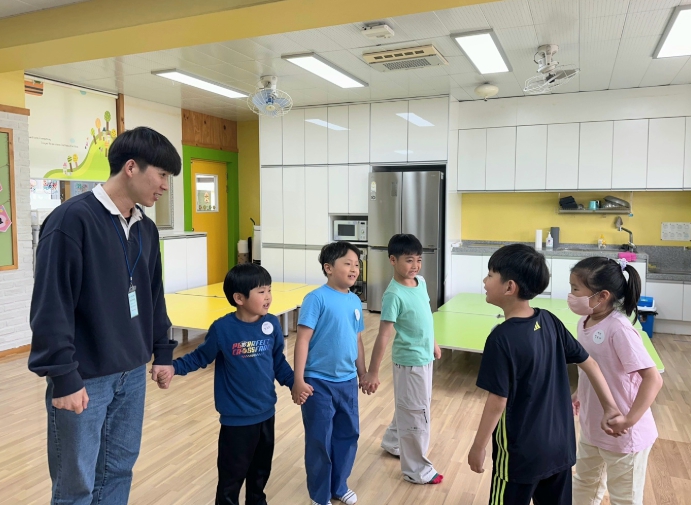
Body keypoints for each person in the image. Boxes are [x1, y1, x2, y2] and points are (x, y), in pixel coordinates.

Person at [28, 126, 181, 504]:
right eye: (162, 175)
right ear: (131, 167)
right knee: (76, 485)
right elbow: (51, 304)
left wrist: (162, 351)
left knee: (118, 470)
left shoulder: (146, 229)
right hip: (85, 376)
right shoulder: (70, 221)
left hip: (132, 373)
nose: (165, 186)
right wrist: (63, 376)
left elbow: (153, 294)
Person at [467, 244, 626, 505]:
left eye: (490, 275)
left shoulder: (500, 338)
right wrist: (610, 407)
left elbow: (497, 402)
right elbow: (590, 364)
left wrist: (478, 446)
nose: (485, 281)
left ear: (509, 287)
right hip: (560, 447)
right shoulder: (550, 321)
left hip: (520, 455)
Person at [154, 263, 312, 505]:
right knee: (231, 478)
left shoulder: (271, 325)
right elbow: (199, 357)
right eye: (261, 291)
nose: (268, 297)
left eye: (269, 290)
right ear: (239, 298)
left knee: (260, 473)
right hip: (236, 420)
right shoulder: (223, 329)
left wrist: (294, 383)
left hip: (266, 414)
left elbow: (277, 362)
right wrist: (174, 367)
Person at [569, 257, 663, 505]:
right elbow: (595, 367)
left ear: (602, 296)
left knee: (625, 498)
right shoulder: (584, 322)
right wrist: (580, 392)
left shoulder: (619, 329)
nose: (571, 295)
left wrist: (629, 420)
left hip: (624, 433)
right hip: (593, 426)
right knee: (584, 484)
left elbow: (653, 379)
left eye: (576, 289)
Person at [361, 234, 443, 485]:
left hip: (424, 356)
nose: (415, 265)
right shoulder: (393, 295)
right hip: (410, 363)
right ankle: (417, 470)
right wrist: (373, 372)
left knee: (411, 405)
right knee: (417, 412)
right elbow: (383, 335)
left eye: (418, 260)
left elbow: (424, 317)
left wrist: (433, 343)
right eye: (409, 260)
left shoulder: (421, 282)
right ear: (393, 260)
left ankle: (393, 442)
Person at [291, 241, 368, 505]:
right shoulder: (316, 298)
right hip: (318, 382)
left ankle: (339, 486)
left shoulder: (355, 300)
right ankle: (320, 495)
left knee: (347, 435)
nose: (354, 269)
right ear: (328, 268)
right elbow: (302, 340)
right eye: (348, 263)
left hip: (347, 381)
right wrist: (298, 380)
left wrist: (363, 373)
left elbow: (357, 340)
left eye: (357, 264)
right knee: (319, 440)